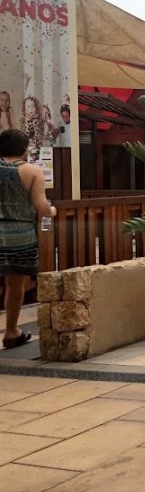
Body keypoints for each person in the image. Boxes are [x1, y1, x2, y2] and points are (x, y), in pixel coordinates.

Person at [0, 129, 55, 348]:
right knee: (15, 285)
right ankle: (11, 332)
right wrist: (52, 211)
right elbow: (41, 207)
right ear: (25, 148)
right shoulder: (32, 171)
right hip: (19, 235)